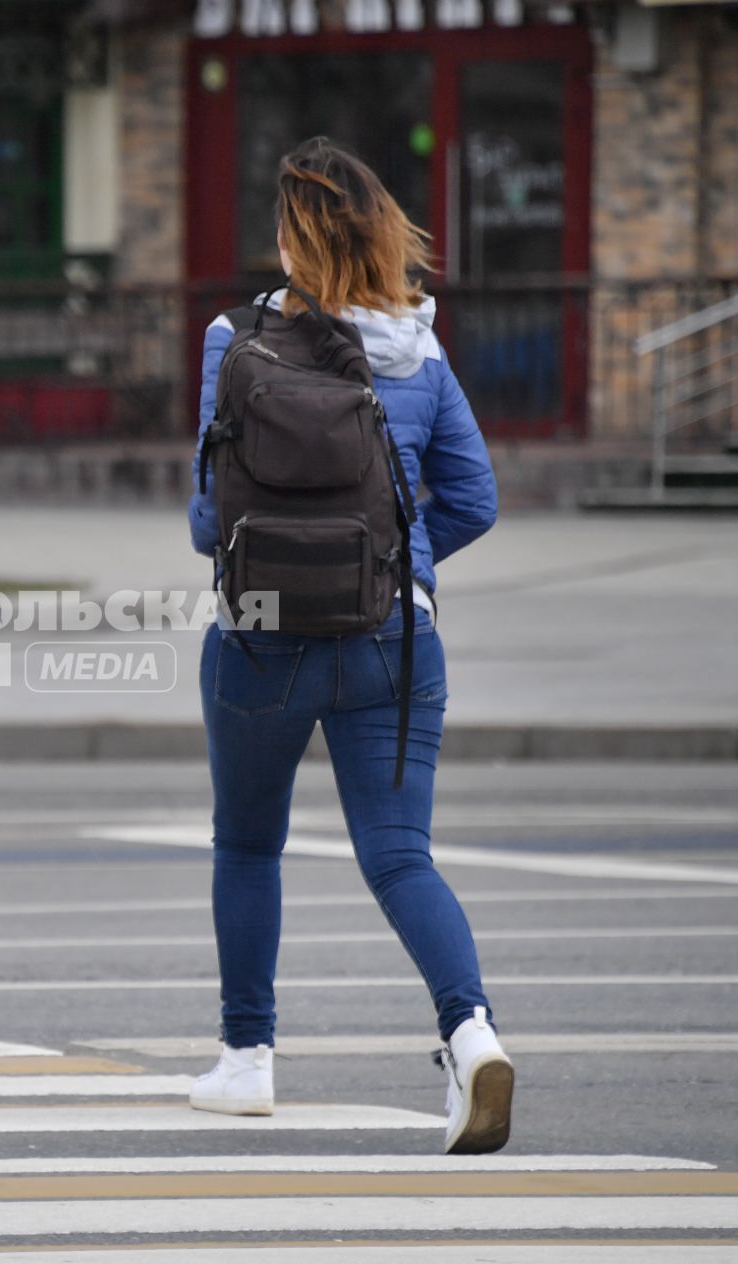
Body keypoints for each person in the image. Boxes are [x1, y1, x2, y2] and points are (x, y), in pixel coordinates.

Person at [186, 137, 510, 1154]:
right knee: (399, 854)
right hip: (394, 642)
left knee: (248, 842)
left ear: (289, 237)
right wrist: (393, 561)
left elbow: (207, 520)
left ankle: (248, 1059)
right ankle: (471, 1031)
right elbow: (478, 498)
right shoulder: (420, 349)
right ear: (378, 238)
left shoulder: (234, 338)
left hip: (260, 639)